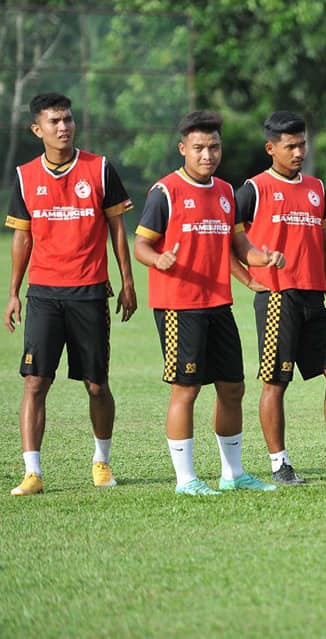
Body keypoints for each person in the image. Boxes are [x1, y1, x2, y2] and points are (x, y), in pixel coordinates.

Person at [133, 110, 284, 496]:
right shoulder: (165, 192)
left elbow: (239, 245)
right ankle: (185, 479)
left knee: (232, 388)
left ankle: (233, 474)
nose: (207, 155)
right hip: (179, 307)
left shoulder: (225, 192)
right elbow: (141, 245)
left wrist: (262, 258)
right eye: (199, 147)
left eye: (214, 147)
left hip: (219, 304)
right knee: (186, 390)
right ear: (183, 149)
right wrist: (158, 260)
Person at [234, 111, 326, 484]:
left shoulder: (316, 188)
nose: (299, 152)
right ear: (271, 148)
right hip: (277, 298)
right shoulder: (253, 189)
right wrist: (249, 280)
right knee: (276, 382)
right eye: (290, 146)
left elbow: (325, 250)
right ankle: (279, 465)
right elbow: (226, 242)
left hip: (314, 299)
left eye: (302, 144)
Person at [5, 93, 138, 496]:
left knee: (96, 384)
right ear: (37, 129)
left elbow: (117, 229)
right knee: (35, 382)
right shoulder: (26, 175)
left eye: (67, 119)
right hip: (44, 294)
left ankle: (102, 462)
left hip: (89, 292)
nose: (63, 127)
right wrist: (13, 292)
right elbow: (22, 238)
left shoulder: (99, 168)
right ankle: (32, 473)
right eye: (54, 121)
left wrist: (127, 281)